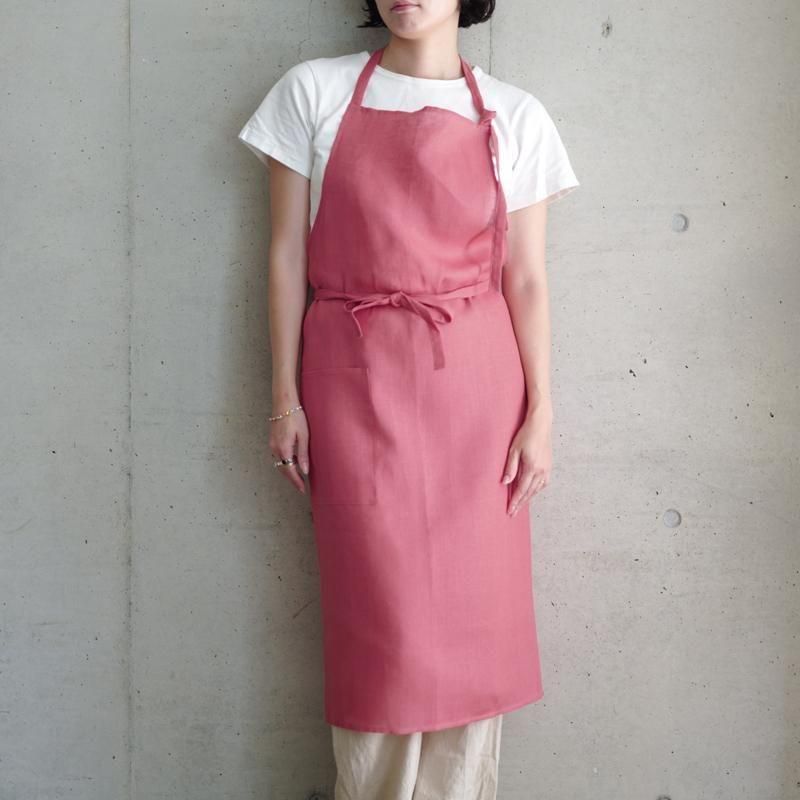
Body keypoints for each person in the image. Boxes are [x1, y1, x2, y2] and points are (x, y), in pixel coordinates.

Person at [237, 1, 579, 797]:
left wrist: (542, 413)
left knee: (475, 622)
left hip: (478, 395)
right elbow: (285, 256)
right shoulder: (314, 92)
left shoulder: (516, 115)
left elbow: (527, 279)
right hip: (352, 383)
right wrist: (283, 397)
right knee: (377, 625)